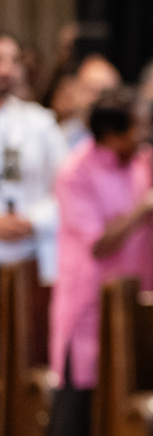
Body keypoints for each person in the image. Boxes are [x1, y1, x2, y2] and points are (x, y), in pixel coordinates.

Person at [45, 86, 153, 436]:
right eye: (138, 126)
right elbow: (98, 242)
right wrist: (144, 209)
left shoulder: (142, 159)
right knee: (77, 405)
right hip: (89, 303)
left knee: (120, 402)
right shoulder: (74, 173)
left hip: (135, 296)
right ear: (112, 132)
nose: (146, 134)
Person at [0, 32, 68, 284]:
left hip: (33, 251)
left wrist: (34, 221)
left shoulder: (40, 123)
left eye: (13, 61)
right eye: (0, 60)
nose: (6, 70)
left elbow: (66, 186)